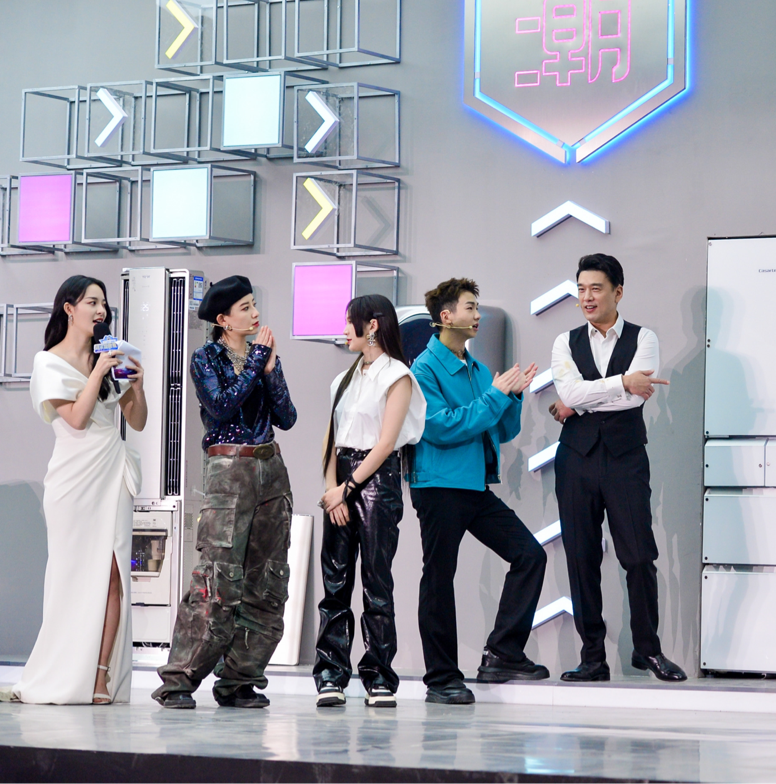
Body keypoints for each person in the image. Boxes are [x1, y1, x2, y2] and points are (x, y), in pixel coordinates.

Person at [153, 275, 298, 709]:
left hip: (271, 467)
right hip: (228, 470)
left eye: (254, 305)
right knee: (218, 579)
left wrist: (270, 371)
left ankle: (239, 680)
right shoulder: (205, 358)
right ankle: (179, 681)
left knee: (268, 579)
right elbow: (220, 406)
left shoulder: (260, 356)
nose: (255, 314)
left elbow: (287, 417)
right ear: (223, 319)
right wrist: (256, 364)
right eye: (246, 308)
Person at [8, 276, 146, 705]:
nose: (101, 310)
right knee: (71, 577)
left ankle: (101, 676)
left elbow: (137, 420)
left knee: (113, 573)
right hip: (73, 480)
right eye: (92, 302)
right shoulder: (48, 362)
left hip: (112, 472)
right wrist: (99, 371)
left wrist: (137, 385)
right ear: (69, 308)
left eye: (104, 303)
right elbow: (77, 418)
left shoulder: (111, 355)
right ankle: (63, 671)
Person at [548, 254, 685, 683]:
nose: (587, 297)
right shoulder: (564, 341)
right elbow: (571, 391)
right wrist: (622, 381)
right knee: (581, 558)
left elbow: (633, 398)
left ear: (618, 292)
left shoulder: (645, 338)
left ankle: (648, 650)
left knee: (639, 555)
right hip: (576, 459)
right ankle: (593, 658)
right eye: (581, 289)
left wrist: (583, 400)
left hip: (625, 458)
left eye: (596, 288)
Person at [410, 277, 548, 704]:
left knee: (530, 555)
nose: (477, 315)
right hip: (438, 486)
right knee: (439, 579)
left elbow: (500, 431)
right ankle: (441, 679)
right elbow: (442, 428)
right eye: (470, 307)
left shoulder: (480, 370)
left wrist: (512, 397)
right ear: (445, 316)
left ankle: (502, 653)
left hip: (473, 486)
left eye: (477, 307)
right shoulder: (423, 370)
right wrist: (494, 397)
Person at [314, 295, 426, 709]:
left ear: (373, 325)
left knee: (376, 582)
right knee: (335, 582)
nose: (345, 330)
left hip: (377, 480)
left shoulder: (398, 375)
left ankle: (378, 676)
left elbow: (385, 444)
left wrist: (347, 489)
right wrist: (333, 492)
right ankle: (330, 674)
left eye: (351, 321)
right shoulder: (341, 380)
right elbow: (330, 439)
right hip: (341, 480)